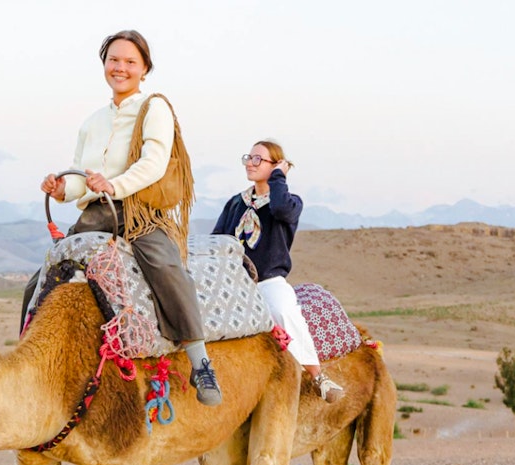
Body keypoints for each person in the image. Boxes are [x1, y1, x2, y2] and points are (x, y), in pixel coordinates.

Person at [32, 28, 222, 406]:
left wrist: (114, 186)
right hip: (93, 217)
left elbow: (153, 163)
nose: (120, 67)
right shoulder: (91, 122)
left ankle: (200, 361)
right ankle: (32, 358)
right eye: (113, 60)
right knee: (44, 278)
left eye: (129, 61)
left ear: (144, 68)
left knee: (165, 266)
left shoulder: (155, 108)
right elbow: (80, 177)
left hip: (138, 213)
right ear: (104, 65)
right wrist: (62, 190)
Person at [212, 141, 344, 403]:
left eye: (259, 159)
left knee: (283, 310)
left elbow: (280, 207)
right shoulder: (235, 203)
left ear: (275, 167)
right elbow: (218, 239)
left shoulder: (289, 204)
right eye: (249, 157)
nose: (250, 162)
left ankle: (317, 375)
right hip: (235, 282)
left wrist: (279, 178)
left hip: (268, 281)